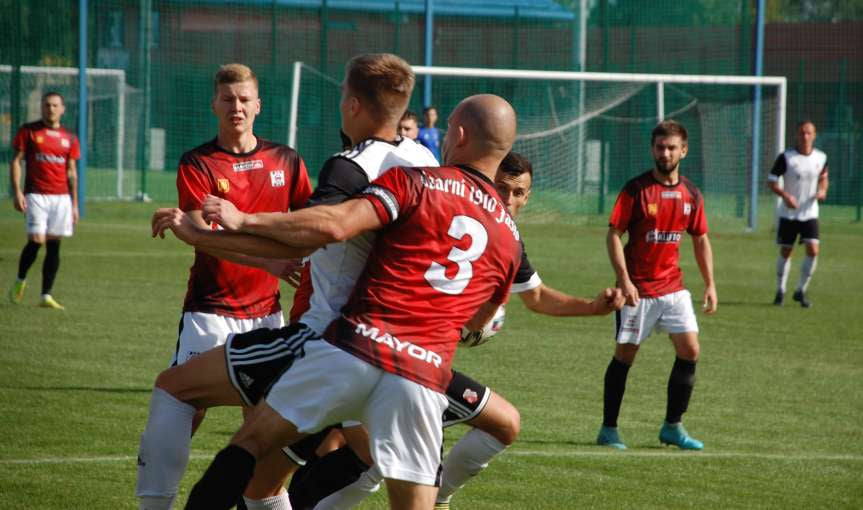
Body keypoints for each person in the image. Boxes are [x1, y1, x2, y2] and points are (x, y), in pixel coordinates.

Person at [152, 92, 521, 510]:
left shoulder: (408, 178)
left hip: (346, 345)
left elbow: (332, 224)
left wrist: (237, 221)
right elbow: (484, 317)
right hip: (420, 372)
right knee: (374, 480)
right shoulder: (507, 234)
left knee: (246, 447)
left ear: (456, 133)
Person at [139, 53, 438, 509]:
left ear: (353, 104)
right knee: (288, 473)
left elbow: (307, 235)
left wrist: (228, 226)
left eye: (342, 96)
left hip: (330, 341)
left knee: (184, 396)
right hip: (406, 351)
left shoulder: (348, 166)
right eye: (228, 99)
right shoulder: (426, 160)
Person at [285, 151, 624, 510]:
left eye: (518, 193)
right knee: (358, 450)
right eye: (502, 188)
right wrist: (477, 320)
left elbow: (536, 296)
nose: (509, 200)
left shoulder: (507, 238)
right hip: (372, 347)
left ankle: (439, 496)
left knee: (503, 424)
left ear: (529, 197)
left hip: (420, 363)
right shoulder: (445, 204)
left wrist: (592, 307)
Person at [135, 63, 312, 510]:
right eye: (228, 99)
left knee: (263, 429)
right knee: (182, 408)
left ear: (258, 105)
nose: (237, 107)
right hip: (209, 311)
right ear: (214, 104)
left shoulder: (286, 160)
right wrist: (273, 258)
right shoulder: (197, 162)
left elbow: (306, 224)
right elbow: (204, 239)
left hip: (268, 315)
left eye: (244, 98)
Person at [596, 120, 717, 451]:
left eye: (671, 147)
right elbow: (613, 235)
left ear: (684, 150)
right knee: (625, 356)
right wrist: (624, 280)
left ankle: (673, 427)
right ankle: (608, 429)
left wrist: (710, 284)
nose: (665, 153)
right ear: (653, 149)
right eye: (660, 147)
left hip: (673, 288)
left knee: (690, 350)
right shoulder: (636, 190)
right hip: (638, 291)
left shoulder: (691, 193)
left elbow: (701, 238)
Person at [8, 91, 80, 310]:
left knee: (54, 245)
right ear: (42, 107)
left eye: (55, 105)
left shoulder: (69, 138)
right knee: (36, 240)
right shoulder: (29, 131)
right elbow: (16, 162)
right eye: (47, 105)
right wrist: (17, 192)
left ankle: (45, 295)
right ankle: (20, 280)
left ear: (63, 109)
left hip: (61, 198)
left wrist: (75, 204)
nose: (51, 109)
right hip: (36, 194)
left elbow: (72, 172)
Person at [768, 120, 828, 308]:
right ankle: (780, 290)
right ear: (797, 134)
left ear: (815, 135)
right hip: (789, 214)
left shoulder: (821, 157)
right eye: (802, 133)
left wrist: (822, 191)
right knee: (787, 251)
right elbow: (771, 180)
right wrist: (785, 195)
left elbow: (824, 179)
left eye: (809, 133)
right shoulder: (787, 157)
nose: (805, 136)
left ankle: (800, 290)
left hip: (810, 213)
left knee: (813, 250)